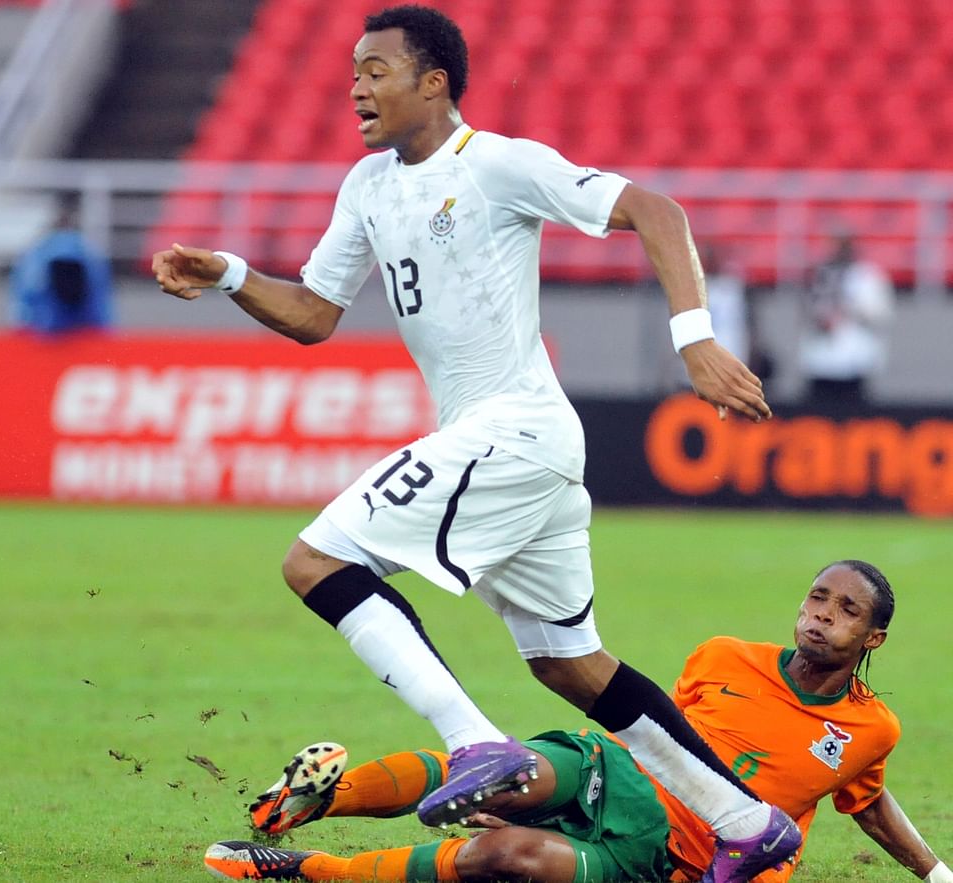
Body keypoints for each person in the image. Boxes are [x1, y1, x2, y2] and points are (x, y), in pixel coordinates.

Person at [153, 7, 786, 881]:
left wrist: (695, 338)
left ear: (434, 82)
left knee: (316, 561)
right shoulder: (368, 186)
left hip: (513, 429)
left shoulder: (496, 164)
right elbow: (313, 313)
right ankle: (748, 820)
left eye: (376, 70)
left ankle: (475, 742)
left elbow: (654, 208)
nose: (356, 86)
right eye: (353, 71)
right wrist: (227, 274)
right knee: (571, 664)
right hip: (515, 444)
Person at [205, 561, 952, 883]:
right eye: (819, 596)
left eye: (847, 609)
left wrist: (934, 870)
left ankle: (304, 868)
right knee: (504, 772)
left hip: (666, 859)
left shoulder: (870, 730)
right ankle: (315, 800)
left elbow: (869, 801)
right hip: (618, 771)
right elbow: (656, 726)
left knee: (503, 857)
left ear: (872, 639)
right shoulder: (722, 655)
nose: (824, 613)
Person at [799, 231, 894, 406]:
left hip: (854, 359)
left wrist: (849, 308)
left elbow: (880, 312)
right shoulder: (818, 274)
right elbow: (807, 309)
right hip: (821, 358)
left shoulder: (867, 275)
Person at [10, 194, 114, 335]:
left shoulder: (39, 253)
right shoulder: (87, 251)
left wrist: (23, 322)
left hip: (60, 320)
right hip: (60, 320)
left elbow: (27, 291)